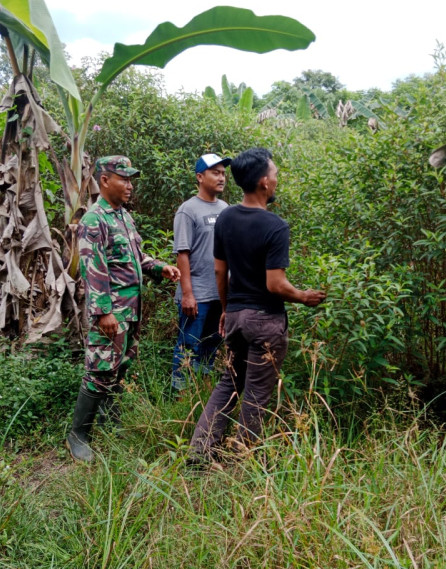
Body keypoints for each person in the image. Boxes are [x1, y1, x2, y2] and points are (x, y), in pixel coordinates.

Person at [188, 147, 326, 462]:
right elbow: (275, 285)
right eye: (275, 175)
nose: (277, 180)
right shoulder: (275, 226)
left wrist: (227, 309)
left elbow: (220, 271)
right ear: (264, 182)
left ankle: (200, 450)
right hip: (265, 321)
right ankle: (245, 462)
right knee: (256, 395)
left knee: (229, 383)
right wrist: (304, 297)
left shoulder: (224, 218)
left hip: (236, 317)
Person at [67, 155, 180, 463]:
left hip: (131, 308)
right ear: (105, 181)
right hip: (113, 310)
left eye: (131, 180)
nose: (130, 185)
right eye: (124, 179)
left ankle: (109, 419)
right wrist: (104, 312)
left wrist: (159, 268)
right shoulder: (94, 221)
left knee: (121, 366)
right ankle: (78, 434)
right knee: (100, 370)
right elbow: (93, 270)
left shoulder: (123, 217)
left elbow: (137, 258)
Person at [170, 153, 231, 394]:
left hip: (220, 295)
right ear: (199, 177)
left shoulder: (226, 209)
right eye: (215, 172)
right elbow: (182, 253)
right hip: (197, 295)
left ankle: (204, 394)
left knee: (212, 346)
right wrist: (187, 294)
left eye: (223, 173)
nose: (221, 177)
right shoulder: (188, 210)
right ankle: (182, 398)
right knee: (188, 346)